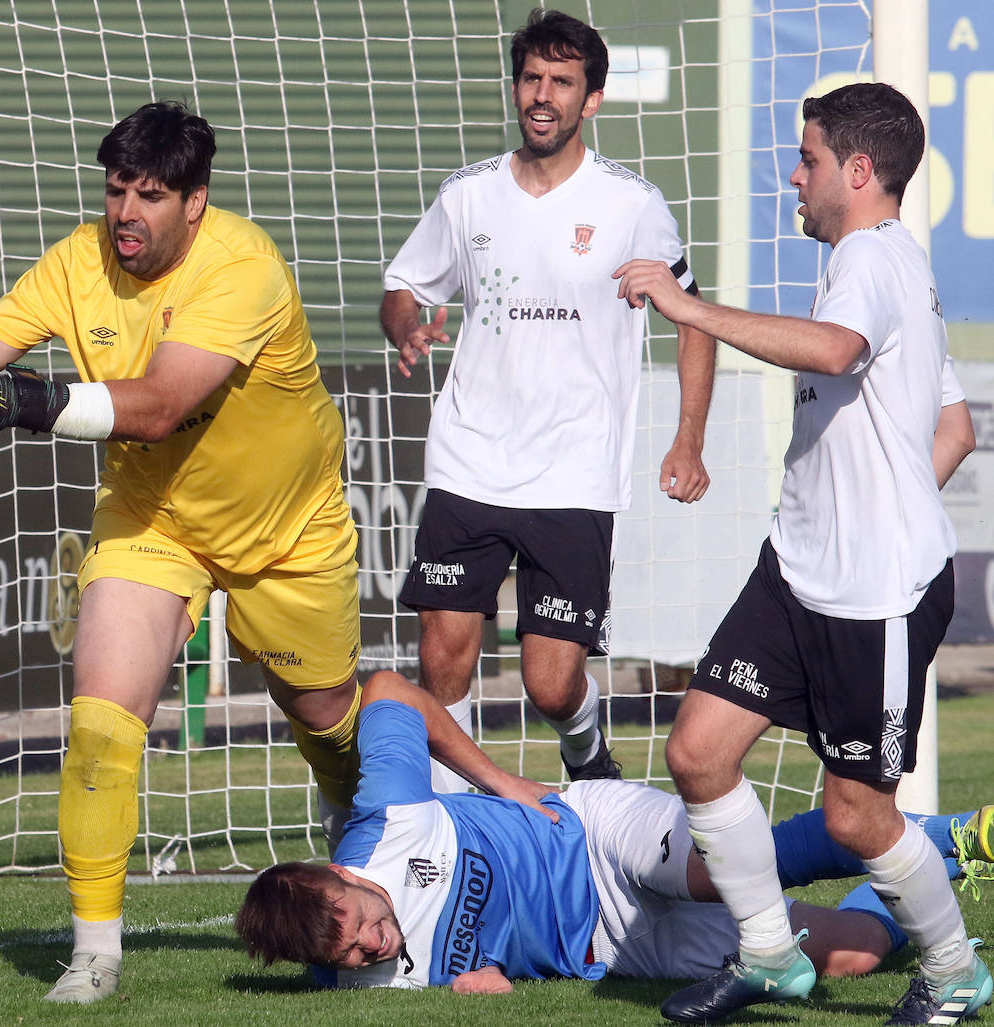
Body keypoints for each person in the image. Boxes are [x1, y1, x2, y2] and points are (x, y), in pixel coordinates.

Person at [0, 102, 363, 1005]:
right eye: (117, 188)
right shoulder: (79, 259)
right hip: (150, 516)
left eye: (150, 195)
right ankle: (94, 954)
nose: (126, 211)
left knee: (330, 728)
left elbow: (158, 403)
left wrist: (19, 401)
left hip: (287, 530)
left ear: (195, 203)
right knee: (98, 729)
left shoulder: (242, 265)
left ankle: (365, 837)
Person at [612, 82, 988, 1025]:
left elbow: (833, 350)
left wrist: (689, 309)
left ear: (859, 172)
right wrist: (869, 499)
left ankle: (954, 971)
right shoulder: (892, 262)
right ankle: (772, 955)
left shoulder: (869, 256)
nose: (795, 173)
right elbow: (953, 427)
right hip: (796, 568)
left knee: (858, 816)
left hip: (876, 598)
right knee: (699, 752)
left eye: (810, 157)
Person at [379, 8, 715, 790]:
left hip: (573, 474)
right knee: (443, 657)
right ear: (515, 86)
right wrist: (405, 326)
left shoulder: (631, 204)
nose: (543, 94)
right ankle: (456, 828)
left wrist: (687, 439)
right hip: (469, 458)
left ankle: (585, 746)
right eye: (532, 78)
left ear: (589, 99)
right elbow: (404, 285)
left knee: (549, 682)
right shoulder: (468, 196)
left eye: (561, 82)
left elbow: (694, 319)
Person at [236, 671, 994, 994]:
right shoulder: (344, 975)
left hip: (593, 834)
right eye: (354, 952)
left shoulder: (386, 822)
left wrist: (496, 779)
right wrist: (481, 987)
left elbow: (389, 689)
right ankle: (939, 861)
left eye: (366, 923)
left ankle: (948, 829)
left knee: (710, 871)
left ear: (346, 875)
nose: (375, 945)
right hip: (614, 945)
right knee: (854, 955)